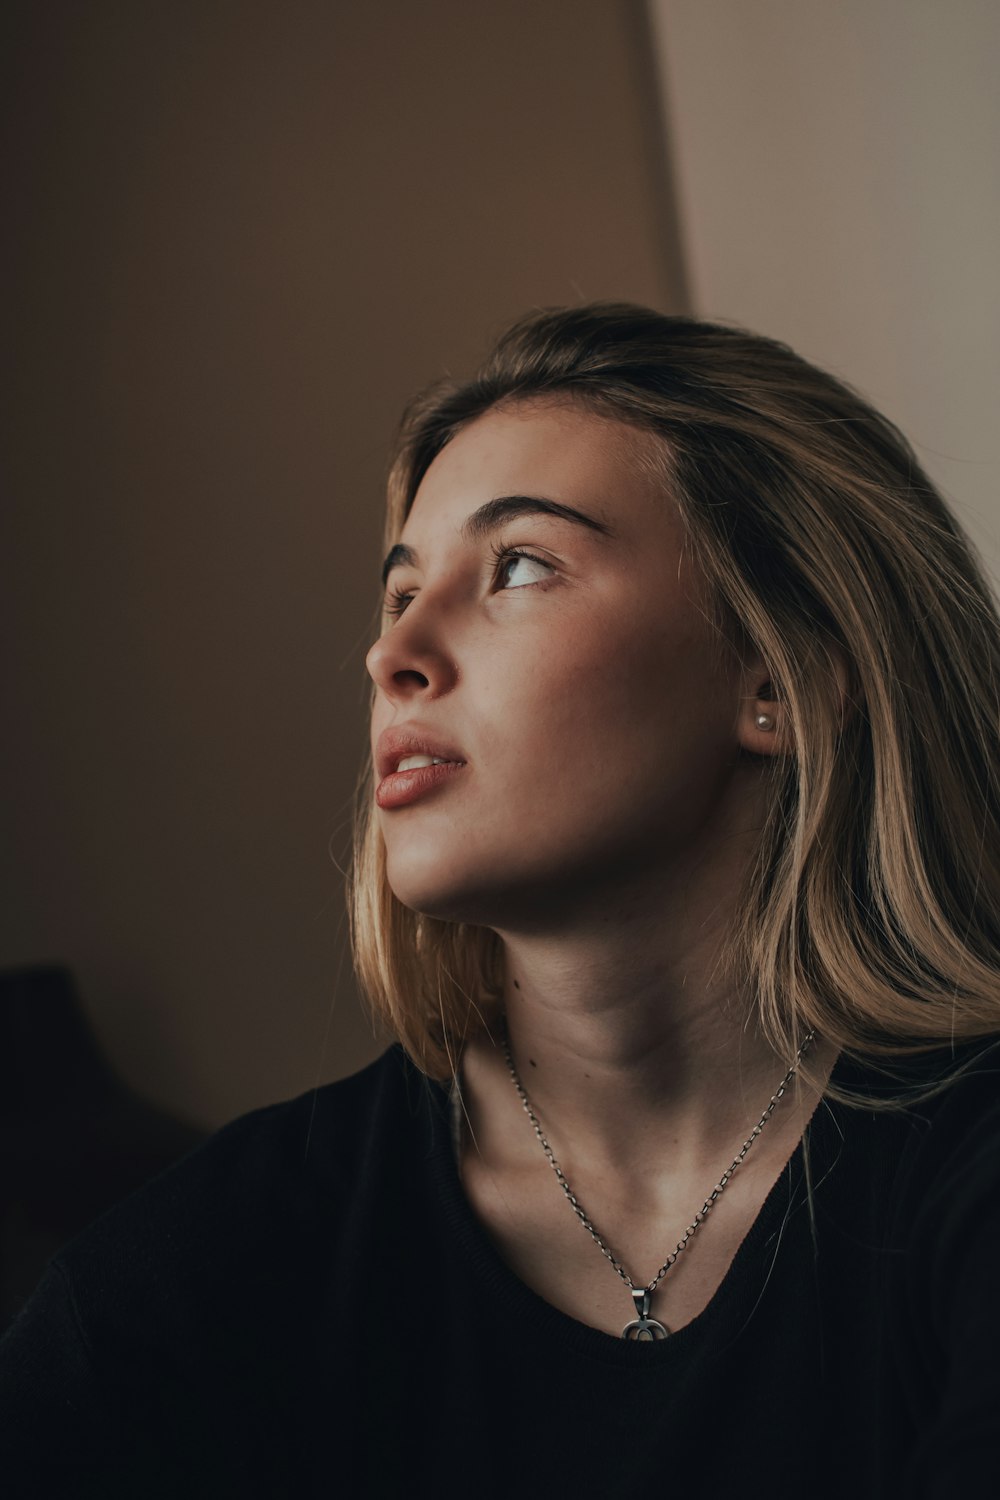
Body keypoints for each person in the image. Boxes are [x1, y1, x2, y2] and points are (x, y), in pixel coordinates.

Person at [2, 303, 999, 1497]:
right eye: (397, 592)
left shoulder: (967, 1178)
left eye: (519, 564)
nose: (394, 653)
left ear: (777, 679)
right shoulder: (191, 1274)